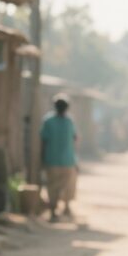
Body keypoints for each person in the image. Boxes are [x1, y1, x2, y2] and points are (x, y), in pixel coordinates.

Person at [40, 94, 78, 222]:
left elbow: (43, 141)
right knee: (67, 185)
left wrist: (42, 158)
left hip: (52, 159)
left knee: (52, 186)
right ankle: (65, 207)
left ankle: (53, 210)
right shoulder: (69, 121)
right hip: (68, 160)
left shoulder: (48, 121)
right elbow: (74, 139)